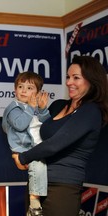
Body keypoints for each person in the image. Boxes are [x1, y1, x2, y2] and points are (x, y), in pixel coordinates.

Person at [12, 55, 108, 216]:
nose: (69, 82)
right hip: (36, 184)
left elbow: (54, 144)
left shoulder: (91, 111)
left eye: (76, 78)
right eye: (68, 77)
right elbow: (36, 134)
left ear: (92, 80)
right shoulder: (58, 105)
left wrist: (23, 158)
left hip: (62, 187)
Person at [2, 71, 49, 216]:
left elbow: (47, 125)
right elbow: (20, 124)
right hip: (25, 149)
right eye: (20, 86)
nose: (24, 90)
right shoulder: (13, 107)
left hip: (39, 147)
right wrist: (30, 107)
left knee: (41, 168)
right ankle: (34, 204)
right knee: (37, 165)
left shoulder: (35, 107)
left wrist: (42, 109)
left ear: (37, 92)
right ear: (15, 89)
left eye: (30, 88)